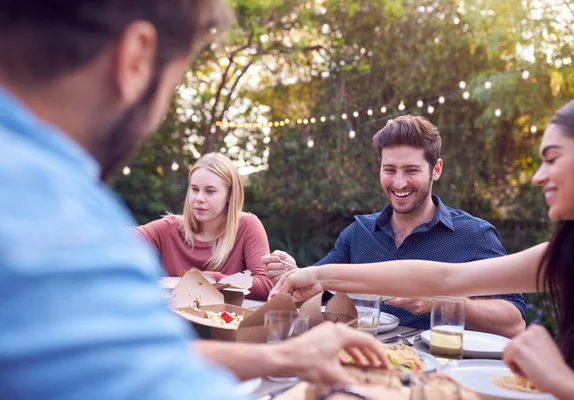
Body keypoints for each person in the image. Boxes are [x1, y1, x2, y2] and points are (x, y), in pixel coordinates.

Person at [0, 2, 388, 399]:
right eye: (173, 82)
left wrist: (282, 357)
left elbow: (143, 358)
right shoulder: (60, 229)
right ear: (136, 58)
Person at [272, 94, 574, 400]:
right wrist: (315, 274)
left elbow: (505, 314)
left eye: (552, 159)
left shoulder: (476, 233)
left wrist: (558, 378)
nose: (538, 176)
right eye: (390, 170)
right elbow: (444, 278)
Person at [264, 115, 526, 338]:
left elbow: (514, 322)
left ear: (436, 169)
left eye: (411, 170)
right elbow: (320, 288)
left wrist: (439, 304)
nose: (399, 183)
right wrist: (291, 272)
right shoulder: (358, 232)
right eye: (390, 169)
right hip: (358, 364)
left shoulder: (474, 235)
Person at [138, 152, 272, 300]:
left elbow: (265, 286)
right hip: (178, 321)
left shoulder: (247, 225)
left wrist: (213, 279)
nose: (199, 198)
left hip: (227, 321)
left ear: (229, 195)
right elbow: (120, 238)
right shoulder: (169, 228)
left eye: (210, 191)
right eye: (195, 189)